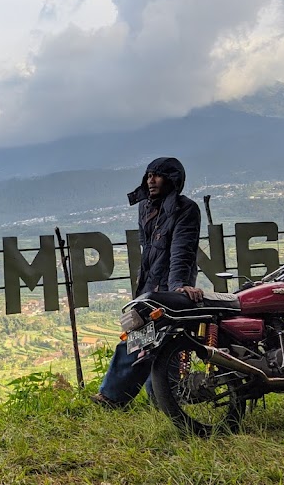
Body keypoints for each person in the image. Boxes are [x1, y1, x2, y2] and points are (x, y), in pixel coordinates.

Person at [90, 156, 204, 409]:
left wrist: (178, 286)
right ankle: (156, 399)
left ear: (172, 180)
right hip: (148, 286)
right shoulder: (146, 207)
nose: (151, 180)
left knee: (156, 339)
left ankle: (123, 398)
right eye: (149, 174)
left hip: (169, 287)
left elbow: (182, 250)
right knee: (141, 338)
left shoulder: (186, 209)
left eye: (158, 175)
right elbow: (147, 250)